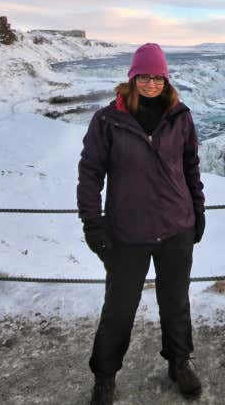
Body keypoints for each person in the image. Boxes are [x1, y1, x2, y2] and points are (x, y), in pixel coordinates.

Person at [76, 43, 206, 404]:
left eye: (158, 77)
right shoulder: (108, 120)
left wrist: (198, 211)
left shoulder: (181, 116)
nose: (151, 83)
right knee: (119, 308)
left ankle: (179, 362)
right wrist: (93, 223)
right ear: (132, 78)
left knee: (176, 302)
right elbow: (90, 174)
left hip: (176, 227)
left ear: (166, 79)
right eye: (144, 76)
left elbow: (191, 167)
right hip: (127, 232)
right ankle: (105, 377)